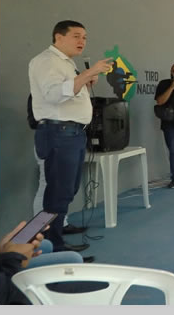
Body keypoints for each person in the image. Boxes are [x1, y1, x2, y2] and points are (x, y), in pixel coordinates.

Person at [28, 20, 114, 252]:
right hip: (58, 133)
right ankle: (44, 244)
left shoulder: (66, 64)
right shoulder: (46, 61)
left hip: (73, 134)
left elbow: (71, 96)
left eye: (85, 37)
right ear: (58, 37)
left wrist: (85, 80)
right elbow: (55, 95)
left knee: (66, 189)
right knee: (56, 192)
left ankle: (44, 235)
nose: (82, 41)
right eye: (76, 36)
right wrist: (88, 73)